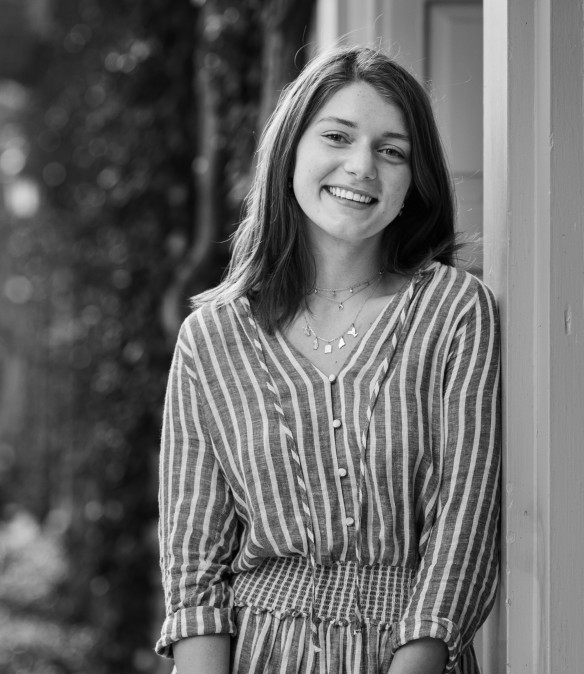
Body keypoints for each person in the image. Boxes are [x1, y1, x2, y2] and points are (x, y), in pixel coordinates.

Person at [156, 46, 501, 674]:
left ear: (413, 181)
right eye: (337, 136)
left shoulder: (455, 311)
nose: (361, 166)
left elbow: (464, 525)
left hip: (410, 656)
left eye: (392, 151)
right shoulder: (210, 339)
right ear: (291, 149)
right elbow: (195, 570)